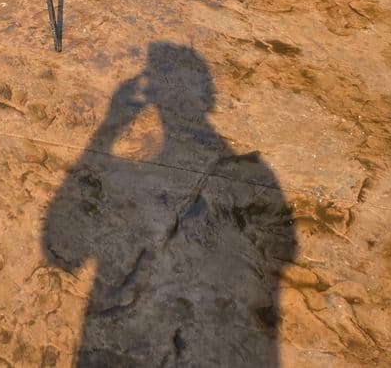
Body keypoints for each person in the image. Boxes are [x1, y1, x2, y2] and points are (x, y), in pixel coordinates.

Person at [42, 43, 296, 365]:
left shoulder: (249, 174)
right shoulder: (257, 175)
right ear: (209, 97)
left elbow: (60, 249)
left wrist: (109, 128)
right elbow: (283, 253)